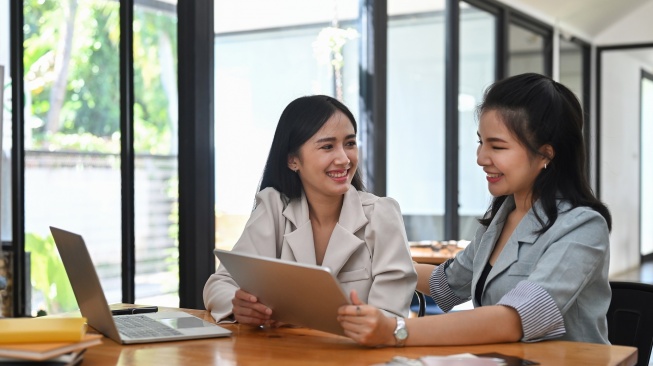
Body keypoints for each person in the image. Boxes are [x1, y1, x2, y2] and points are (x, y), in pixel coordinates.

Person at [337, 73, 612, 347]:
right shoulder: (502, 217)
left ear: (545, 155)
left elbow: (514, 320)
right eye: (481, 142)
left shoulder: (583, 227)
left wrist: (396, 330)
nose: (481, 158)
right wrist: (373, 257)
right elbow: (444, 285)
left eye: (497, 146)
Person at [203, 95, 417, 326]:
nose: (344, 159)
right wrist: (239, 305)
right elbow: (220, 283)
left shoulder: (381, 215)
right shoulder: (275, 207)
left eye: (350, 143)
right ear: (293, 160)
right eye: (327, 146)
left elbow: (390, 317)